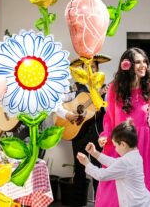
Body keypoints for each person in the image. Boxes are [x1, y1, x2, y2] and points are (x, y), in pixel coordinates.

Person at [96, 48, 150, 207]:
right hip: (121, 145)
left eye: (145, 61)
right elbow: (109, 118)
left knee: (145, 185)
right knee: (115, 187)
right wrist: (105, 135)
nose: (143, 65)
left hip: (145, 146)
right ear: (127, 65)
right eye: (138, 62)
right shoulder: (115, 88)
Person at [57, 54, 111, 206]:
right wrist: (69, 114)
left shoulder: (104, 88)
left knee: (98, 169)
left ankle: (100, 202)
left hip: (97, 133)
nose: (90, 70)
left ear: (97, 69)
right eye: (86, 67)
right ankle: (78, 203)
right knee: (79, 169)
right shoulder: (74, 88)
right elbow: (57, 103)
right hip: (77, 133)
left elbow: (110, 113)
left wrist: (100, 103)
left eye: (93, 67)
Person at [77, 118, 150, 207]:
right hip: (144, 202)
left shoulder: (125, 162)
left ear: (123, 144)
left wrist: (86, 163)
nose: (115, 149)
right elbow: (114, 162)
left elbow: (101, 175)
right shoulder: (135, 156)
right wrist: (94, 153)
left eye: (115, 145)